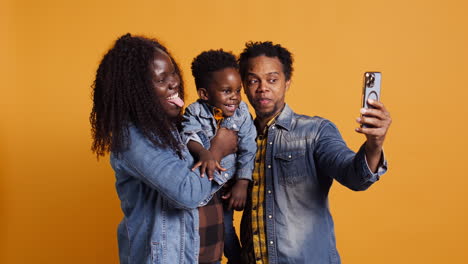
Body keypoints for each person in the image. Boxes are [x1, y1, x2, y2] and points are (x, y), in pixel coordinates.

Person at [237, 41, 392, 264]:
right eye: (253, 80)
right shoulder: (240, 139)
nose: (263, 88)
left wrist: (374, 144)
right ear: (243, 85)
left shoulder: (315, 132)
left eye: (272, 79)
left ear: (287, 82)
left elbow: (354, 176)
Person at [89, 33, 237, 264]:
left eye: (173, 73)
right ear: (136, 91)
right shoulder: (133, 139)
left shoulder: (177, 127)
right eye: (161, 80)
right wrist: (218, 150)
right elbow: (188, 193)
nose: (174, 83)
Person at [181, 49, 257, 264]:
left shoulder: (242, 113)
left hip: (226, 187)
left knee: (226, 229)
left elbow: (249, 148)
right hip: (203, 184)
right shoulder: (194, 111)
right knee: (201, 232)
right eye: (226, 91)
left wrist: (242, 183)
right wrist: (204, 153)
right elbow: (188, 136)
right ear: (205, 94)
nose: (235, 97)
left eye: (238, 90)